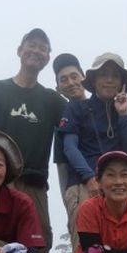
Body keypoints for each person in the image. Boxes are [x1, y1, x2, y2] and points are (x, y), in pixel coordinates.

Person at [0, 29, 65, 253]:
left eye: (43, 48)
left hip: (35, 184)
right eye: (32, 45)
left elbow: (81, 120)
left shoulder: (51, 100)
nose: (36, 51)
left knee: (39, 246)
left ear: (48, 58)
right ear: (20, 50)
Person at [58, 53, 127, 247]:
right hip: (84, 184)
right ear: (94, 80)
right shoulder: (76, 108)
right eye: (103, 74)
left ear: (122, 83)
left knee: (121, 247)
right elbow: (69, 147)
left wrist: (123, 115)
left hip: (120, 186)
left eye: (115, 75)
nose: (109, 80)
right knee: (86, 250)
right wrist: (89, 177)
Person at [51, 53, 88, 212]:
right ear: (58, 89)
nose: (71, 83)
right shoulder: (62, 123)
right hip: (79, 193)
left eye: (74, 76)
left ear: (84, 77)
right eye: (63, 79)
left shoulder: (104, 109)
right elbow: (62, 168)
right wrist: (69, 203)